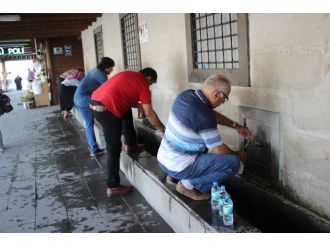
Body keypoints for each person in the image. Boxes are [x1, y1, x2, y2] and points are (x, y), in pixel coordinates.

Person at [157, 74, 252, 200]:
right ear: (217, 94)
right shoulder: (205, 116)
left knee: (203, 147)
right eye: (225, 98)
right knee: (233, 163)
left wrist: (236, 126)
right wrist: (239, 155)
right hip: (178, 166)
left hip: (164, 159)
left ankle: (175, 177)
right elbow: (220, 151)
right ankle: (186, 185)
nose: (223, 102)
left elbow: (211, 114)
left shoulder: (186, 96)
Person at [90, 68, 165, 197]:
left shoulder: (128, 74)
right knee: (114, 147)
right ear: (148, 78)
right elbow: (150, 114)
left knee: (126, 110)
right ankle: (113, 186)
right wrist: (162, 129)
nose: (150, 85)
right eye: (151, 82)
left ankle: (130, 144)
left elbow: (125, 96)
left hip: (94, 103)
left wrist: (139, 105)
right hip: (107, 110)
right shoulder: (143, 84)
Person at [73, 57, 115, 157]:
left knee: (89, 124)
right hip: (84, 99)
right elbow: (107, 92)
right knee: (107, 112)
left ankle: (93, 149)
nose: (112, 70)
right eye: (111, 68)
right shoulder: (101, 75)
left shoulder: (96, 72)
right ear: (106, 67)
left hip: (77, 99)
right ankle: (111, 138)